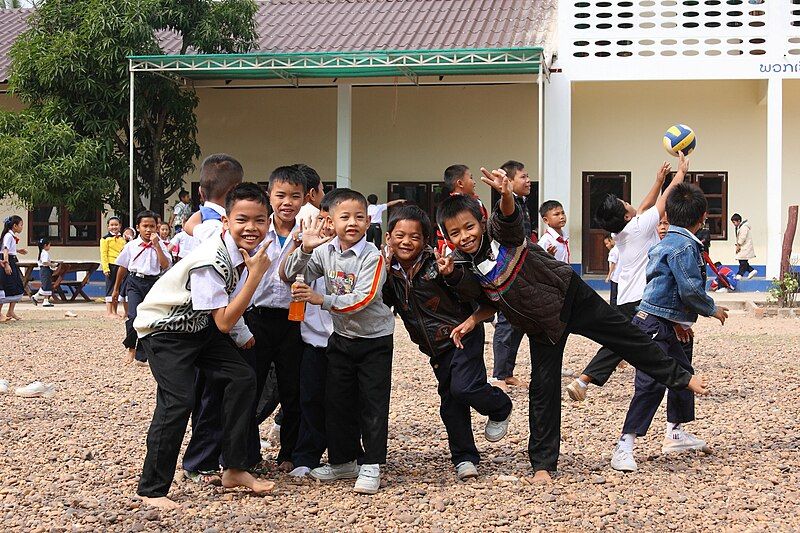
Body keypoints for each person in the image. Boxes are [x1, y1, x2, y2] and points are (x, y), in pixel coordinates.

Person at [437, 166, 709, 483]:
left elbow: (508, 216)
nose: (464, 236)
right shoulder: (463, 265)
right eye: (455, 233)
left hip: (570, 297)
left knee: (626, 338)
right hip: (542, 326)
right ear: (447, 237)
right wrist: (455, 283)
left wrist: (507, 195)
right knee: (543, 390)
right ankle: (542, 466)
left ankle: (681, 378)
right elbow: (485, 299)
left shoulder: (501, 235)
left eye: (468, 227)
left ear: (480, 223)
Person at [133, 182, 275, 510]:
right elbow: (224, 318)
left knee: (242, 377)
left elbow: (224, 301)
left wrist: (242, 335)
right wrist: (254, 279)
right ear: (226, 222)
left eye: (259, 220)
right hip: (165, 330)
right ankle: (151, 490)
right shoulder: (212, 258)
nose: (251, 228)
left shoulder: (241, 251)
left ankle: (235, 468)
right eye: (242, 220)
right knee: (178, 401)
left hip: (200, 328)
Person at [382, 205, 513, 480]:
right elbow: (381, 303)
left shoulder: (438, 265)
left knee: (464, 388)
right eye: (400, 235)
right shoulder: (387, 273)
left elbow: (475, 293)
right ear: (388, 238)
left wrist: (452, 275)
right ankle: (464, 458)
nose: (406, 242)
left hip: (462, 336)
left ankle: (499, 405)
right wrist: (379, 274)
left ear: (426, 240)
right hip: (434, 348)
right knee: (450, 402)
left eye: (414, 237)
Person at [282, 188, 394, 495]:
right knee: (336, 401)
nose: (352, 223)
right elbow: (290, 273)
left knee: (371, 403)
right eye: (344, 217)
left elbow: (364, 298)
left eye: (360, 217)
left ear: (369, 220)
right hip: (342, 338)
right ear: (330, 219)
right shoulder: (325, 251)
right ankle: (344, 460)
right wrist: (304, 249)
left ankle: (371, 464)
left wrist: (320, 298)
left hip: (374, 340)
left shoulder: (373, 256)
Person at [611, 183, 728, 472]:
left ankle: (675, 432)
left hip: (663, 321)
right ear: (703, 218)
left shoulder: (665, 243)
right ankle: (624, 445)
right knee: (650, 384)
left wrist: (676, 322)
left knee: (683, 373)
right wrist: (713, 309)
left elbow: (661, 286)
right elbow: (688, 289)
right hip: (651, 324)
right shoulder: (684, 246)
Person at [566, 156, 687, 402]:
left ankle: (583, 381)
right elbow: (663, 202)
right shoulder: (639, 227)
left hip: (625, 297)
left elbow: (643, 208)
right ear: (626, 216)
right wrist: (681, 174)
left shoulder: (621, 231)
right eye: (625, 203)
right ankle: (678, 384)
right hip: (643, 298)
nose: (629, 203)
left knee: (622, 341)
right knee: (662, 340)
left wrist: (658, 180)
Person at [238, 165, 306, 473]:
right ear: (270, 195)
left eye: (295, 196)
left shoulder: (309, 232)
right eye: (280, 195)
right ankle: (247, 453)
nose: (287, 202)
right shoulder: (257, 229)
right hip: (258, 318)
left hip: (295, 320)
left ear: (305, 198)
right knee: (251, 384)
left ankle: (289, 453)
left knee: (293, 388)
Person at [287, 195, 335, 478]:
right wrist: (304, 246)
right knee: (311, 397)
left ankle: (349, 454)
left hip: (346, 338)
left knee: (344, 399)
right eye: (323, 219)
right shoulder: (307, 247)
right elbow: (288, 273)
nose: (328, 226)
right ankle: (306, 455)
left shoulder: (358, 253)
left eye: (334, 220)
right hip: (313, 339)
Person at [491, 160, 536, 389]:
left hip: (523, 271)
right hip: (508, 273)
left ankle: (507, 372)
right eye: (523, 177)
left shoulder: (522, 204)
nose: (528, 181)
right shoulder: (508, 205)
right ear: (509, 181)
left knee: (518, 323)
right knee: (507, 323)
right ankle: (499, 375)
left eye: (528, 177)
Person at [112, 211, 170, 365]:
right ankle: (131, 347)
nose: (149, 229)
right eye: (145, 226)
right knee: (133, 316)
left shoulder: (162, 245)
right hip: (134, 282)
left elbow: (165, 265)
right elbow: (122, 267)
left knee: (149, 319)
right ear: (138, 227)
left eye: (152, 226)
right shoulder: (131, 246)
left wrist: (157, 245)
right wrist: (116, 289)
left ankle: (142, 355)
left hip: (153, 283)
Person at [436, 164, 488, 255]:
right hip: (460, 259)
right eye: (471, 178)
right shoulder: (446, 210)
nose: (474, 182)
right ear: (460, 183)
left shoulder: (444, 208)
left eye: (469, 227)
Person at [0, 215, 28, 322]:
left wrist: (18, 250)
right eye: (21, 225)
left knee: (17, 285)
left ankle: (11, 311)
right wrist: (6, 264)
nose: (22, 227)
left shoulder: (11, 236)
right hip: (7, 261)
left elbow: (9, 249)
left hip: (12, 260)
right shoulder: (8, 236)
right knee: (5, 286)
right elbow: (5, 250)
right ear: (15, 226)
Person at [101, 217, 126, 318]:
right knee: (110, 288)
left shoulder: (122, 239)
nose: (114, 227)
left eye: (116, 225)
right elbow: (103, 254)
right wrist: (105, 268)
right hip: (110, 265)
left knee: (117, 288)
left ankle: (115, 311)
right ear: (108, 227)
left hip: (120, 265)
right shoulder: (105, 239)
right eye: (111, 225)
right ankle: (109, 312)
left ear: (120, 226)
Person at [296, 163, 326, 228]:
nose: (325, 195)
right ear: (312, 194)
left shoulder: (274, 217)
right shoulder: (319, 218)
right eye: (322, 190)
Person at [30, 238, 55, 307]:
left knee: (47, 285)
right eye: (49, 245)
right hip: (45, 270)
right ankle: (36, 297)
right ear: (45, 245)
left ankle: (45, 300)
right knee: (46, 285)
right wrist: (52, 264)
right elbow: (45, 262)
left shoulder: (42, 252)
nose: (50, 246)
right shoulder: (45, 253)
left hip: (44, 270)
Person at [731, 213, 757, 279]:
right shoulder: (740, 227)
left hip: (745, 247)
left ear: (739, 221)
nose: (734, 224)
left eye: (734, 222)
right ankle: (751, 270)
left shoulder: (744, 227)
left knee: (742, 262)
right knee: (743, 261)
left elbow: (742, 237)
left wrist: (738, 244)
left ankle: (739, 274)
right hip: (743, 247)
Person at [605, 235, 619, 307]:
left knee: (613, 296)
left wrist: (609, 276)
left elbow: (613, 264)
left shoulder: (613, 251)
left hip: (615, 276)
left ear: (611, 241)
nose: (606, 246)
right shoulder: (619, 249)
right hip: (618, 276)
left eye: (607, 243)